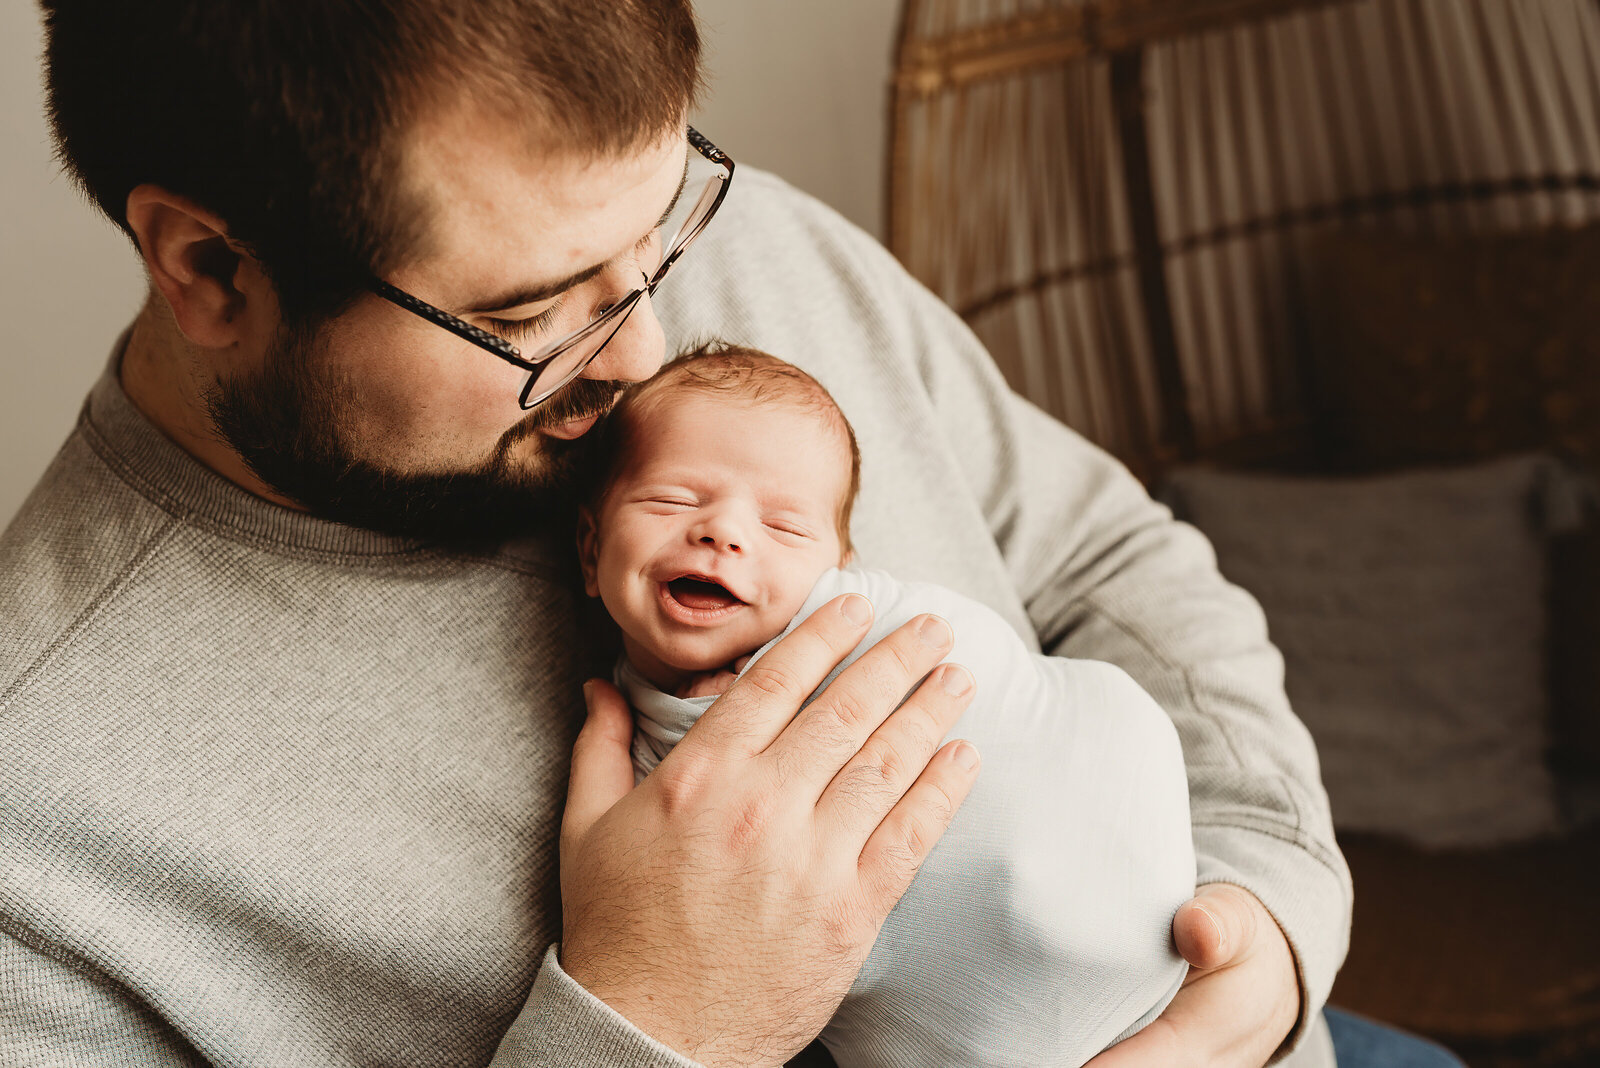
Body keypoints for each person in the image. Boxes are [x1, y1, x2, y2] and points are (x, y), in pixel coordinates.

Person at [2, 1, 1464, 1066]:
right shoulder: (43, 837)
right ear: (208, 268)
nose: (650, 350)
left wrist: (1262, 940)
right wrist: (657, 1028)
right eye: (531, 313)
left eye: (659, 235)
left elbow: (1106, 560)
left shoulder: (733, 244)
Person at [577, 344, 1197, 1068]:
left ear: (840, 567)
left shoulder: (866, 622)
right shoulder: (637, 731)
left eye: (784, 527)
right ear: (590, 553)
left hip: (1163, 908)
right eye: (673, 499)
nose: (723, 532)